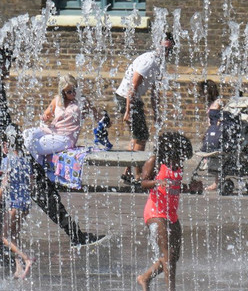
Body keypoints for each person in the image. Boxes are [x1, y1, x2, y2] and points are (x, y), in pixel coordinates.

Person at [0, 48, 101, 248]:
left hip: (13, 150)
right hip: (12, 152)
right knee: (41, 195)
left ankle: (74, 236)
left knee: (37, 195)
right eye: (5, 65)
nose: (7, 71)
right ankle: (75, 236)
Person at [136, 131, 202, 291]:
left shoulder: (177, 165)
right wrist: (157, 183)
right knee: (168, 255)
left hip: (171, 213)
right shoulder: (155, 162)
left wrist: (191, 187)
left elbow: (176, 187)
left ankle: (145, 277)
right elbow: (142, 183)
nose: (182, 159)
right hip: (155, 212)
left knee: (174, 256)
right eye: (180, 154)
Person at [115, 33, 175, 183]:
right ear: (157, 46)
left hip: (133, 99)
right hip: (126, 98)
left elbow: (154, 91)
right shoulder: (149, 61)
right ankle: (137, 176)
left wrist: (157, 112)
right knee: (141, 137)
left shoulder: (159, 63)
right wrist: (128, 110)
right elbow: (133, 85)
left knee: (136, 136)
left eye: (170, 50)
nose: (166, 53)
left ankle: (127, 172)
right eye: (164, 49)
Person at [23, 74, 107, 165]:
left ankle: (36, 169)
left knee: (34, 145)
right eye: (69, 92)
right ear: (63, 92)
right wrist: (44, 118)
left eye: (74, 89)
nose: (73, 93)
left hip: (65, 138)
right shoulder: (57, 100)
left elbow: (96, 115)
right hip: (51, 131)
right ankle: (38, 168)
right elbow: (46, 115)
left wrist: (105, 120)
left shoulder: (82, 101)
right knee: (26, 134)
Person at [0, 124, 34, 279]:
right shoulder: (26, 159)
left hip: (14, 205)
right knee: (14, 235)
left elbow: (3, 186)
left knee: (4, 237)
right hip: (26, 204)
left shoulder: (7, 161)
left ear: (6, 144)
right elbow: (31, 184)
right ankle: (19, 268)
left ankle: (27, 259)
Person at [199, 79, 223, 191]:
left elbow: (220, 119)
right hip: (211, 131)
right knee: (209, 156)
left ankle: (217, 182)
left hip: (216, 132)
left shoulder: (218, 102)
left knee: (216, 156)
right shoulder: (210, 103)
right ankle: (216, 181)